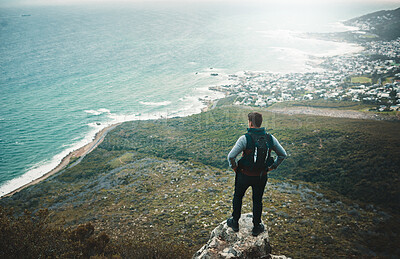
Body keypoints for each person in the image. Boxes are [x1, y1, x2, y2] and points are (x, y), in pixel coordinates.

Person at [227, 112, 287, 236]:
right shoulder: (270, 138)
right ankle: (256, 227)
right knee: (257, 200)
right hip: (261, 176)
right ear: (260, 123)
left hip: (244, 175)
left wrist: (234, 167)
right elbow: (283, 155)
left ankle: (235, 223)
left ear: (250, 123)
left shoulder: (245, 138)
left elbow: (231, 156)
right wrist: (272, 167)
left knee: (238, 197)